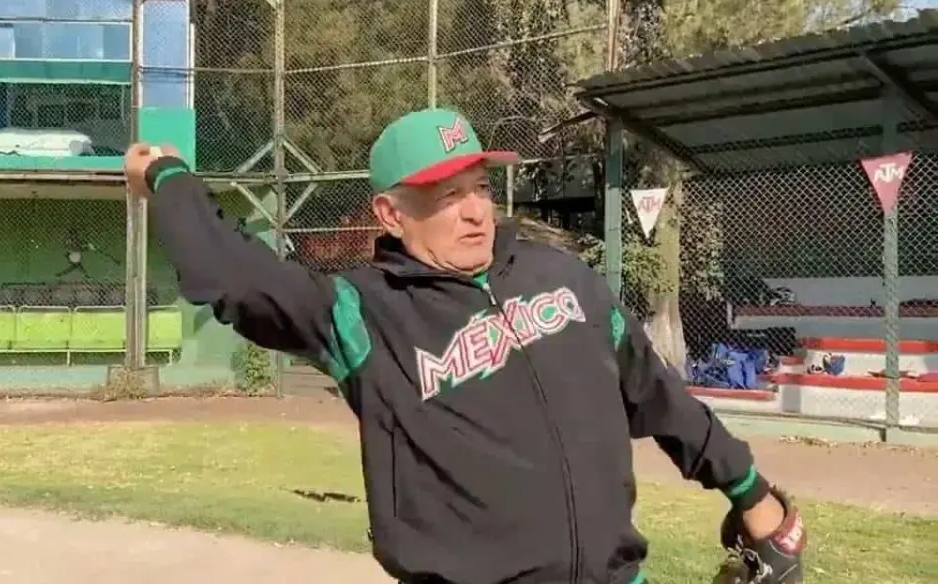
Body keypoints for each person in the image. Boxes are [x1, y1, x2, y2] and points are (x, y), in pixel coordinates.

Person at [123, 108, 806, 584]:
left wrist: (747, 488)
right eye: (447, 196)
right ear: (392, 214)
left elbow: (655, 393)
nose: (477, 209)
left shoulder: (561, 278)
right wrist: (169, 179)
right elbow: (235, 278)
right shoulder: (365, 312)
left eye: (479, 187)